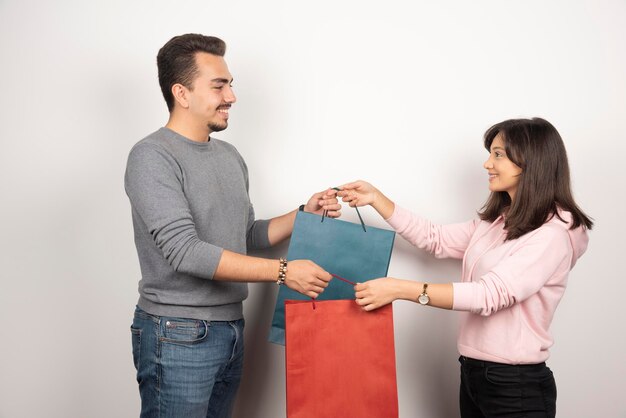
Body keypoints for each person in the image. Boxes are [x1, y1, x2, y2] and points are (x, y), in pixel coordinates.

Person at [124, 34, 340, 418]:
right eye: (219, 85)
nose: (232, 96)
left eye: (231, 84)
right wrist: (285, 271)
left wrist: (304, 213)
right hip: (177, 333)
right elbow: (186, 252)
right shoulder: (152, 156)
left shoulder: (229, 156)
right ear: (182, 93)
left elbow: (244, 237)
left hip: (230, 331)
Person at [338, 117, 592, 418]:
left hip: (515, 387)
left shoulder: (552, 235)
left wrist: (400, 289)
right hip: (474, 375)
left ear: (530, 161)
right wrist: (376, 200)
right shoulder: (501, 222)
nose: (487, 164)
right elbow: (436, 238)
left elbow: (489, 296)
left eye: (498, 154)